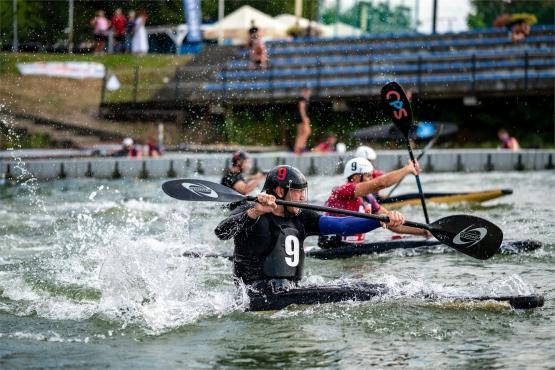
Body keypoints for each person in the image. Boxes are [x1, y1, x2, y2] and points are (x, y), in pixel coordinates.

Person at [214, 165, 406, 293]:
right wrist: (255, 213)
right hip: (253, 293)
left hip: (289, 290)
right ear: (280, 191)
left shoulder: (302, 217)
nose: (301, 198)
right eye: (297, 191)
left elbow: (342, 225)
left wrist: (381, 220)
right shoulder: (251, 210)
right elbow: (221, 232)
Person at [319, 157, 429, 247]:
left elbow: (392, 223)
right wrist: (408, 169)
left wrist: (424, 231)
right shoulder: (343, 190)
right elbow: (381, 183)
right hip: (331, 246)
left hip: (353, 247)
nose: (371, 179)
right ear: (356, 177)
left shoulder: (368, 198)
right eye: (368, 176)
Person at [294, 87, 312, 155]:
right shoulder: (302, 98)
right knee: (306, 132)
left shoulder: (303, 98)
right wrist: (305, 118)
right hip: (301, 118)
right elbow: (302, 109)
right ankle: (300, 147)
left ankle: (298, 148)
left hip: (299, 118)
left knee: (301, 133)